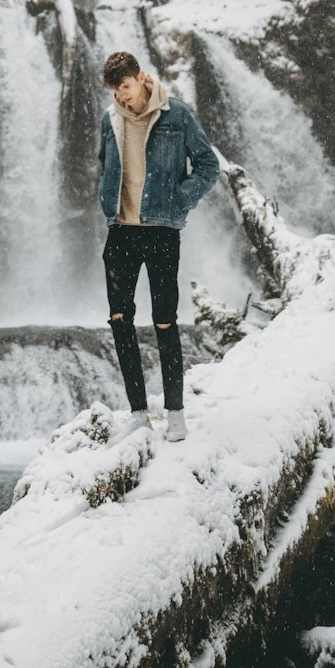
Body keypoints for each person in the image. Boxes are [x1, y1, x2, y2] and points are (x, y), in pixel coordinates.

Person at [96, 50, 220, 442]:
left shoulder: (177, 115)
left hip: (162, 231)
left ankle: (176, 413)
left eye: (127, 89)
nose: (122, 98)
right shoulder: (110, 119)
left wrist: (180, 200)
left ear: (140, 78)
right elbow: (106, 166)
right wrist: (106, 198)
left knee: (165, 321)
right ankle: (137, 413)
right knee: (119, 319)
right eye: (116, 92)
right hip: (121, 232)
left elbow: (208, 165)